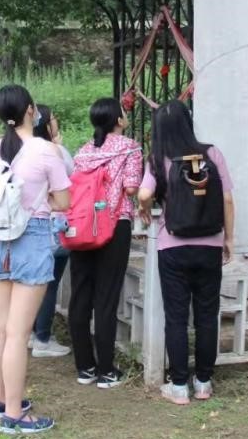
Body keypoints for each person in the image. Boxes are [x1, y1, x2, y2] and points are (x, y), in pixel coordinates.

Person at [0, 85, 71, 434]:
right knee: (19, 335)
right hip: (31, 238)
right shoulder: (46, 150)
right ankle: (15, 414)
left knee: (2, 329)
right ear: (30, 110)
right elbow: (63, 201)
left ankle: (2, 400)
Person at [137, 100, 235, 405]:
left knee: (177, 316)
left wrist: (144, 209)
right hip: (210, 244)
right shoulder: (212, 154)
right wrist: (229, 239)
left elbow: (144, 193)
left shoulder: (158, 159)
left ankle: (179, 385)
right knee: (207, 314)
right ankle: (203, 382)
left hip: (173, 246)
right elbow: (227, 200)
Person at [67, 97, 143, 388]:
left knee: (80, 294)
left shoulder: (83, 152)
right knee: (106, 298)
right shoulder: (129, 147)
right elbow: (131, 188)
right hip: (113, 225)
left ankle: (85, 367)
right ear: (119, 120)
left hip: (82, 226)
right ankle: (106, 370)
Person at [28, 104, 72, 357]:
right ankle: (43, 338)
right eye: (54, 118)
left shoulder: (22, 149)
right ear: (46, 123)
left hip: (30, 224)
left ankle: (31, 332)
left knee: (31, 281)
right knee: (49, 283)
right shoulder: (55, 151)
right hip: (55, 223)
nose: (56, 122)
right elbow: (71, 179)